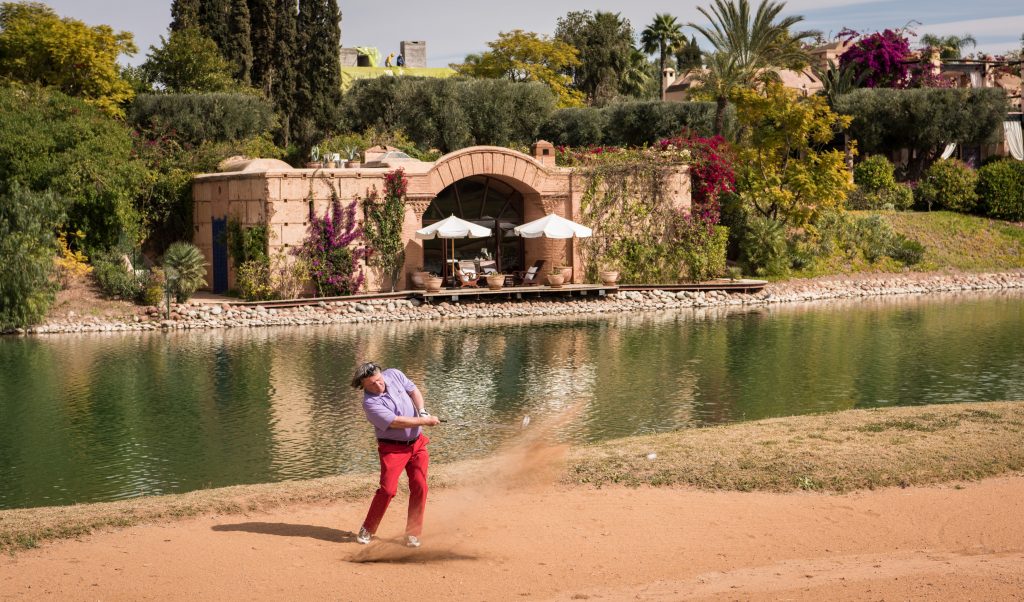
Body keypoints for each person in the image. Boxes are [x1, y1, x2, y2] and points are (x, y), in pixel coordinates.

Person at [351, 361, 440, 548]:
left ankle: (412, 534)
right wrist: (424, 421)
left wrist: (422, 411)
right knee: (388, 490)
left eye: (379, 379)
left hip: (417, 445)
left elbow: (413, 391)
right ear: (363, 387)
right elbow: (397, 422)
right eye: (372, 384)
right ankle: (368, 527)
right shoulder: (370, 403)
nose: (378, 384)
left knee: (420, 486)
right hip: (393, 449)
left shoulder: (394, 374)